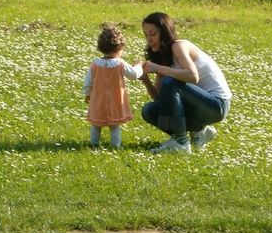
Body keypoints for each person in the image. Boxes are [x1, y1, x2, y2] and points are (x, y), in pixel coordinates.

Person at [140, 12, 232, 154]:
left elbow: (193, 76)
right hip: (198, 106)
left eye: (153, 34)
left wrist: (159, 69)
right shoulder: (163, 57)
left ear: (164, 33)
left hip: (217, 104)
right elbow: (160, 98)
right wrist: (145, 79)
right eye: (146, 35)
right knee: (149, 110)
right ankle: (200, 130)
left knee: (170, 82)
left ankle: (180, 142)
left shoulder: (179, 46)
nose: (149, 40)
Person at [82, 24, 143, 149]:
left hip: (98, 100)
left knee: (96, 124)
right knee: (114, 126)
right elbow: (134, 75)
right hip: (115, 101)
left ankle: (94, 144)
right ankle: (115, 146)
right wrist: (139, 66)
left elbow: (87, 82)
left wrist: (88, 93)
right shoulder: (120, 63)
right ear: (119, 48)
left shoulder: (95, 64)